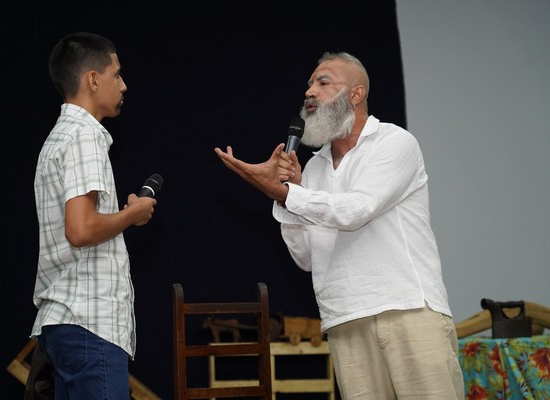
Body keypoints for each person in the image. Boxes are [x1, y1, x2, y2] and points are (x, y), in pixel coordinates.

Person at [214, 52, 464, 399]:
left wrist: (287, 195)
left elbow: (357, 210)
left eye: (323, 81)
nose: (310, 92)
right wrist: (292, 193)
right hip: (345, 318)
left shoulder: (393, 142)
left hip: (406, 309)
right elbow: (306, 258)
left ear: (356, 95)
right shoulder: (314, 168)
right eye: (309, 84)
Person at [30, 32, 157, 400]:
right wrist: (132, 215)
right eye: (116, 74)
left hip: (65, 322)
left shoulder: (59, 136)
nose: (124, 84)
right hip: (89, 323)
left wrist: (123, 214)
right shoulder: (85, 135)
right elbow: (81, 229)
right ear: (93, 79)